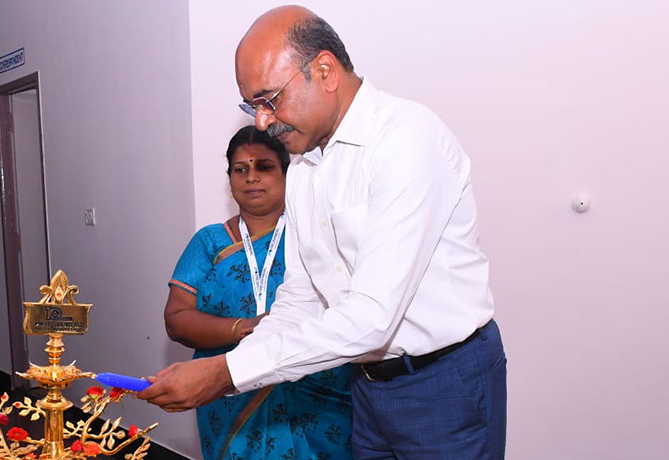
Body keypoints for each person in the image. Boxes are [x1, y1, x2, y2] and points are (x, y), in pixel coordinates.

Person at [140, 6, 507, 460]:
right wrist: (228, 365)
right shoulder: (307, 167)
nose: (261, 121)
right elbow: (302, 298)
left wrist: (228, 372)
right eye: (251, 106)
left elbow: (372, 318)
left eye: (269, 99)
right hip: (367, 383)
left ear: (325, 70)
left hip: (442, 381)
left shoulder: (407, 141)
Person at [165, 126, 352, 460]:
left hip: (314, 386)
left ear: (286, 173)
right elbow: (177, 319)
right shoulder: (209, 243)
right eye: (241, 169)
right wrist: (244, 327)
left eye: (264, 166)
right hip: (229, 390)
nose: (251, 177)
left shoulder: (312, 233)